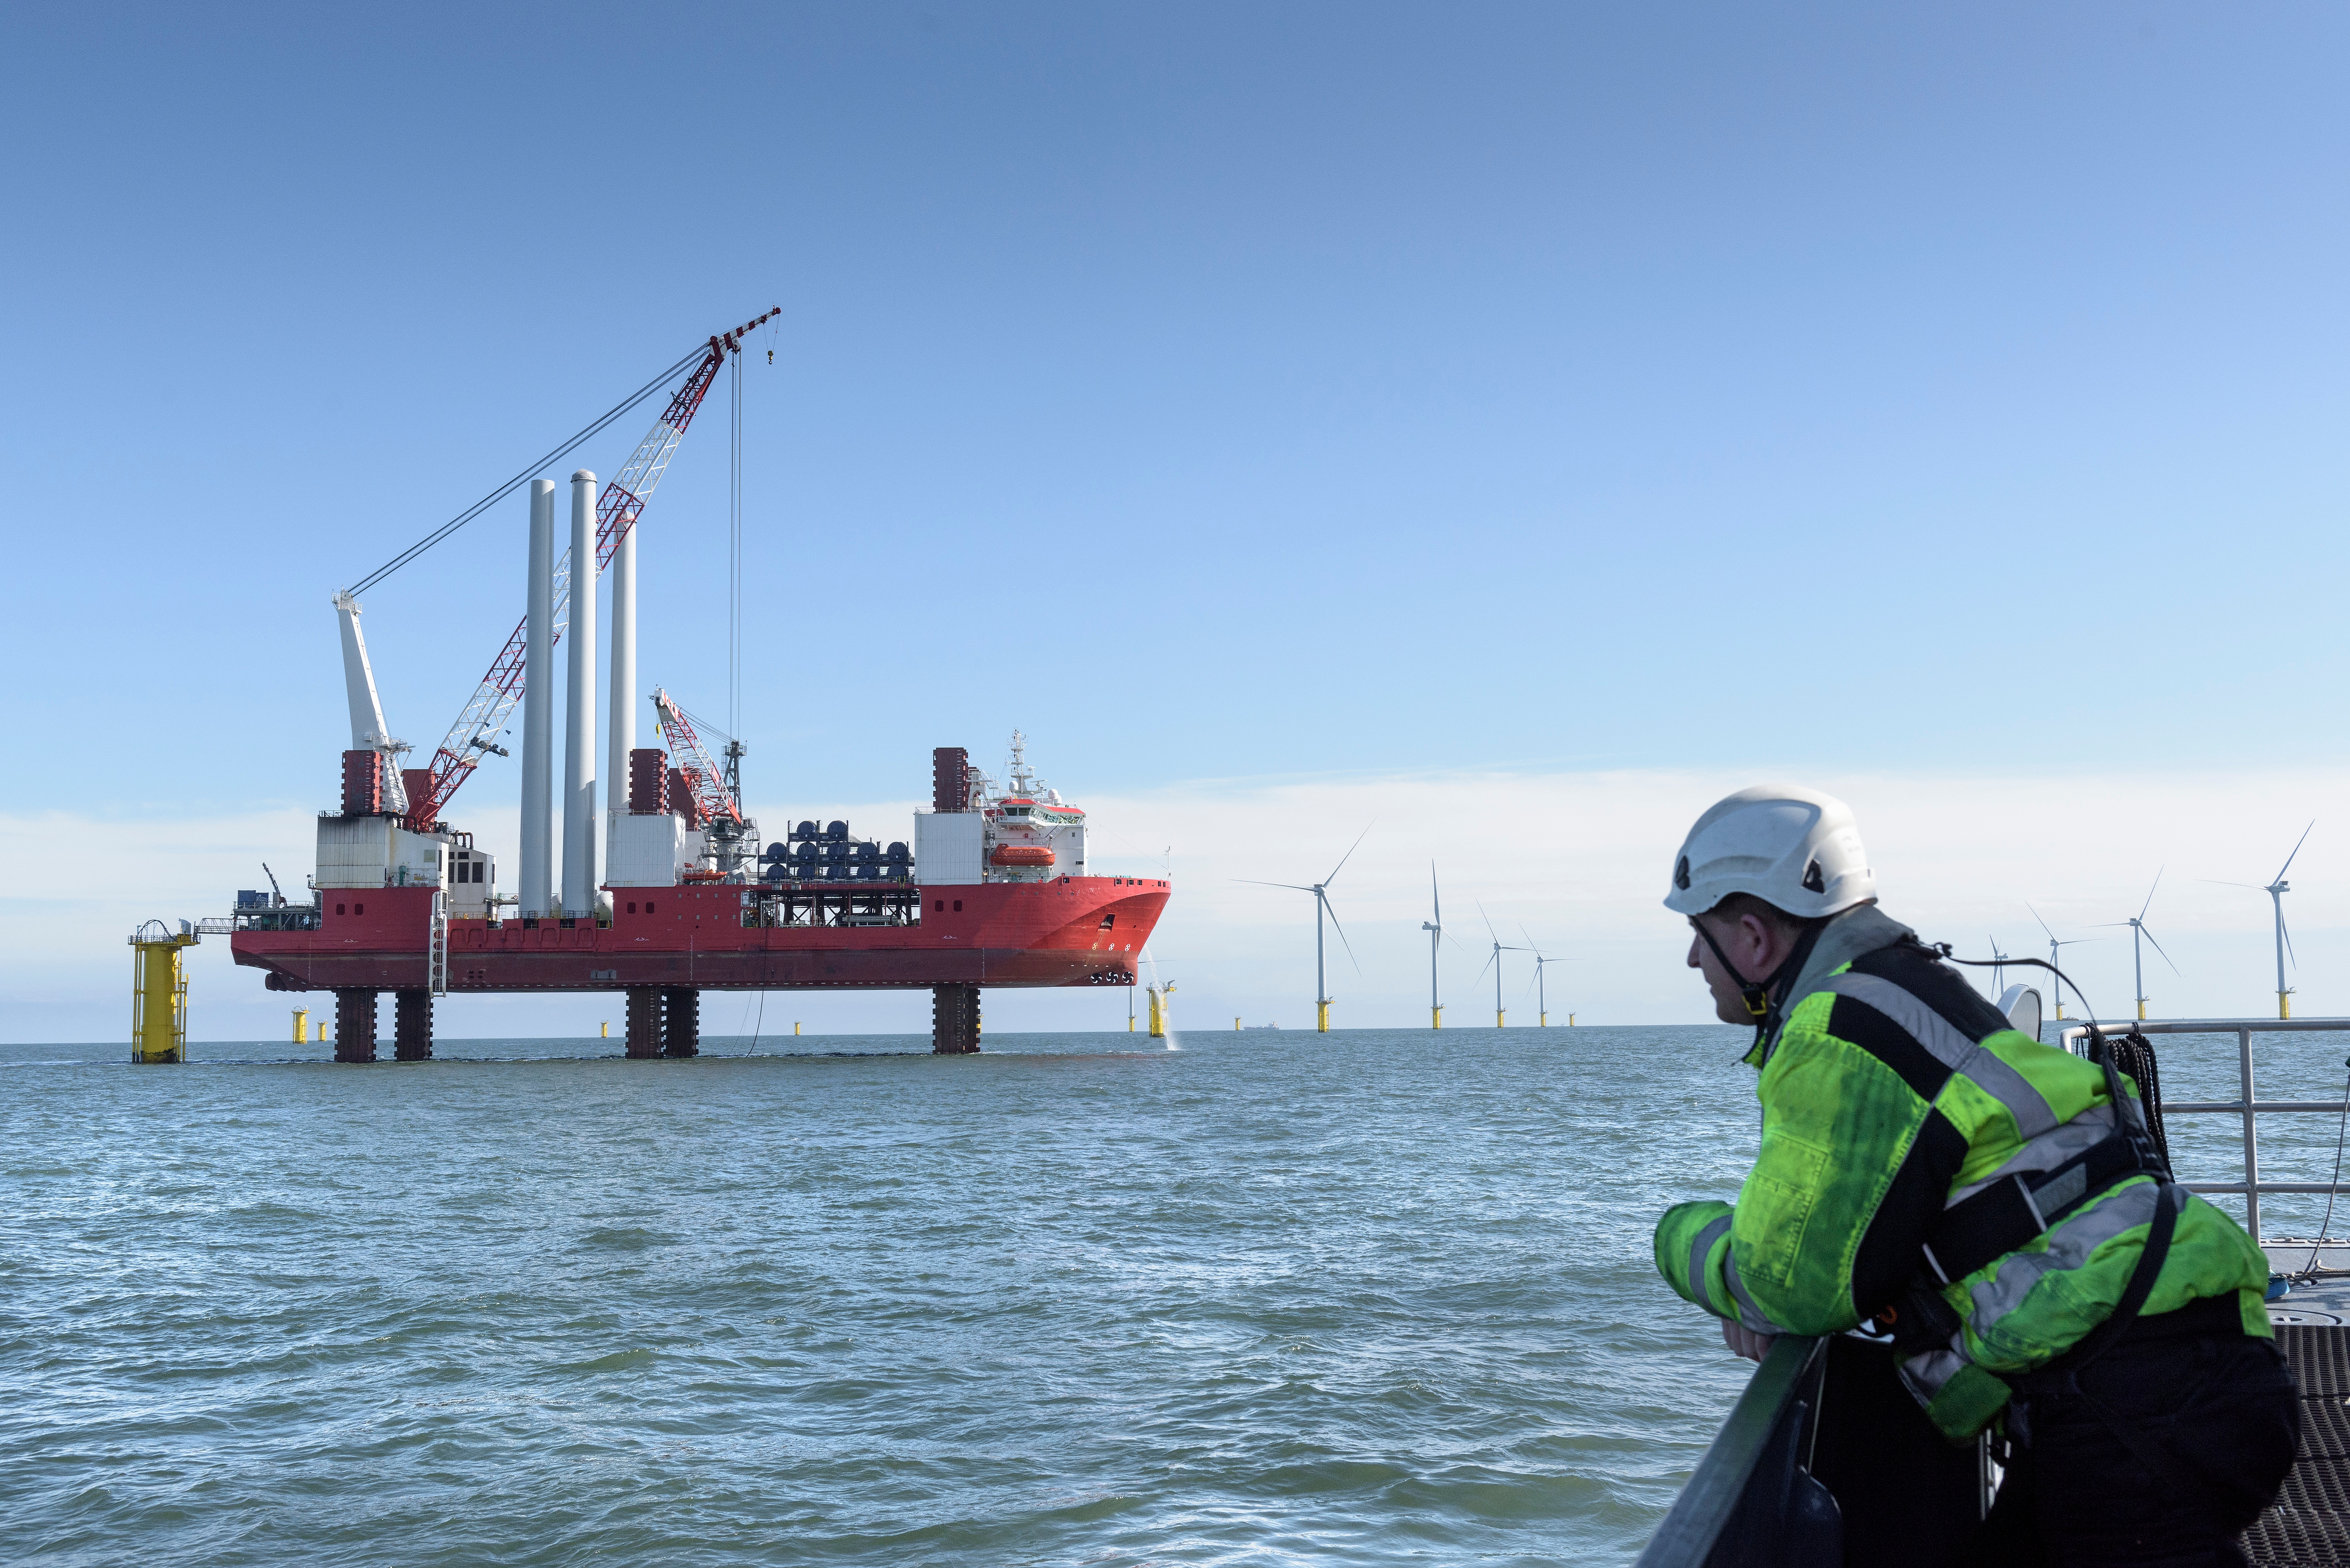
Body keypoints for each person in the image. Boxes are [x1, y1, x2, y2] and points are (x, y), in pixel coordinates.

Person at [1650, 785, 2298, 1568]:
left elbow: (1791, 1284)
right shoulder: (1910, 991)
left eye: (1699, 931)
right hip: (2182, 1369)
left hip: (2144, 1397)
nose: (1692, 958)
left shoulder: (1837, 1031)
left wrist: (1681, 1237)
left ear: (1752, 937)